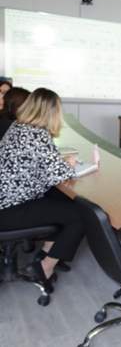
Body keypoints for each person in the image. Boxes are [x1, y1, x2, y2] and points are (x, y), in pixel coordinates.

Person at [0, 88, 86, 292]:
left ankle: (47, 252)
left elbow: (37, 165)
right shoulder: (39, 134)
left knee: (65, 199)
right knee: (82, 214)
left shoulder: (18, 127)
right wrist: (69, 164)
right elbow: (57, 175)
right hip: (10, 210)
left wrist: (58, 163)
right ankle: (46, 266)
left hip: (7, 200)